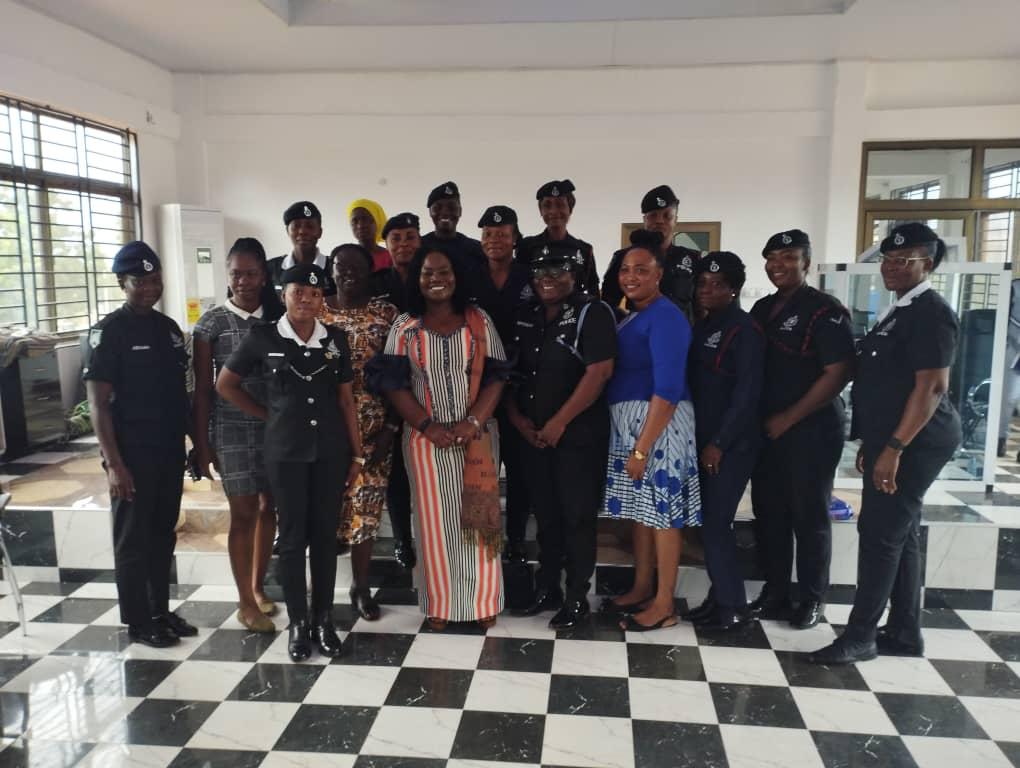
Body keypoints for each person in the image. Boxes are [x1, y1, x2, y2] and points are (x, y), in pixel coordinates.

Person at [811, 224, 962, 664]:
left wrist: (893, 448)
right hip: (895, 436)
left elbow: (931, 388)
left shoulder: (930, 312)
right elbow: (885, 382)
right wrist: (873, 441)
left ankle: (860, 637)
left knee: (880, 533)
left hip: (918, 440)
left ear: (927, 265)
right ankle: (904, 632)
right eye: (887, 260)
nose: (891, 269)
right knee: (902, 532)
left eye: (904, 261)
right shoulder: (899, 309)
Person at [217, 263, 364, 662]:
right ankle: (298, 623)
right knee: (294, 538)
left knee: (324, 538)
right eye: (298, 291)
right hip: (285, 454)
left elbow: (346, 399)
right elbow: (225, 384)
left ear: (322, 300)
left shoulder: (335, 340)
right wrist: (269, 415)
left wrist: (357, 452)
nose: (306, 299)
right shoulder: (263, 336)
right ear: (283, 294)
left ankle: (323, 620)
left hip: (330, 452)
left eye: (315, 294)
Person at [367, 244, 508, 629]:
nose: (437, 280)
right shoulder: (405, 326)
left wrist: (473, 422)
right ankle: (441, 605)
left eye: (444, 272)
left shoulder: (478, 320)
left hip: (476, 439)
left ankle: (482, 603)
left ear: (457, 277)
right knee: (433, 522)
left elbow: (497, 376)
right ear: (418, 280)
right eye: (428, 273)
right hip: (424, 441)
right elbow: (395, 385)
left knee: (479, 522)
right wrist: (429, 427)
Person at [83, 241, 198, 648]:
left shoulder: (167, 329)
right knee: (133, 538)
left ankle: (160, 610)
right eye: (140, 281)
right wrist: (114, 465)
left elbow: (180, 397)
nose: (150, 287)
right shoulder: (108, 332)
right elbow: (97, 405)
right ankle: (138, 620)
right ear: (122, 283)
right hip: (130, 452)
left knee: (162, 533)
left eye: (155, 279)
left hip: (167, 450)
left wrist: (195, 444)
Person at [749, 229, 855, 629]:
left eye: (788, 257)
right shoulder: (762, 309)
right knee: (769, 512)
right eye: (772, 257)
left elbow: (839, 372)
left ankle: (812, 598)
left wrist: (787, 418)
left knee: (809, 515)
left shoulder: (824, 310)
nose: (778, 265)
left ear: (806, 262)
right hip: (769, 431)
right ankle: (775, 592)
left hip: (811, 429)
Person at [507, 243, 617, 628]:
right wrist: (519, 420)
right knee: (547, 517)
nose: (547, 280)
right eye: (540, 273)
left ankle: (576, 597)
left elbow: (599, 372)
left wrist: (559, 423)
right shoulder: (527, 315)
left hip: (577, 438)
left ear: (575, 274)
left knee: (577, 518)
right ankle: (547, 587)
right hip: (533, 436)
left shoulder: (593, 312)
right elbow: (512, 374)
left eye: (557, 271)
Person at [600, 230, 702, 631]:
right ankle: (642, 586)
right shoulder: (634, 316)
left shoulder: (667, 316)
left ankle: (664, 604)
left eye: (641, 270)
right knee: (641, 514)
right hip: (633, 426)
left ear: (659, 274)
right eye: (625, 269)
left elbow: (669, 388)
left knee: (662, 515)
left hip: (659, 426)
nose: (631, 276)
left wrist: (643, 448)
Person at [193, 238, 283, 634]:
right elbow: (200, 388)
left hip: (276, 428)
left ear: (264, 275)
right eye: (235, 274)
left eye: (250, 273)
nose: (242, 282)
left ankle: (258, 587)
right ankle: (245, 603)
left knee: (269, 508)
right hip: (230, 429)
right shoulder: (210, 323)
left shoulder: (279, 319)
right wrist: (202, 443)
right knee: (243, 512)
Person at [682, 252, 764, 631]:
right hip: (703, 441)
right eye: (702, 284)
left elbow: (747, 395)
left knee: (716, 525)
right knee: (710, 524)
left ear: (734, 289)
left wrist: (719, 442)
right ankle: (719, 598)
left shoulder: (743, 330)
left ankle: (734, 608)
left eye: (717, 284)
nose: (707, 290)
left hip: (730, 445)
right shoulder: (705, 325)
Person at [320, 244, 399, 620]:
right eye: (340, 266)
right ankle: (320, 592)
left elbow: (404, 375)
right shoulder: (315, 309)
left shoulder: (387, 314)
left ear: (370, 270)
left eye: (356, 267)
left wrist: (392, 427)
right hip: (324, 428)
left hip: (373, 430)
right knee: (325, 509)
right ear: (330, 269)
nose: (347, 273)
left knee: (366, 512)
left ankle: (361, 587)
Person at [470, 204, 534, 562]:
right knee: (482, 467)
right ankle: (482, 541)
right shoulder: (470, 276)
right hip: (479, 386)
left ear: (514, 239)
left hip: (523, 384)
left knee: (520, 468)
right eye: (489, 234)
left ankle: (516, 540)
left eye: (503, 234)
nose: (495, 240)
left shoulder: (528, 276)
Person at [372, 212, 422, 569]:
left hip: (431, 383)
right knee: (397, 475)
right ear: (386, 247)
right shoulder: (377, 283)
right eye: (396, 239)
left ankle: (435, 535)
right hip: (390, 386)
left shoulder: (431, 277)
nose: (403, 245)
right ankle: (402, 539)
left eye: (410, 237)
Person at [601, 185, 702, 319]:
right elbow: (607, 305)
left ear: (675, 220)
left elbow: (701, 308)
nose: (659, 221)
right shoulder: (623, 257)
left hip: (682, 334)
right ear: (645, 220)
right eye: (653, 216)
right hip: (639, 335)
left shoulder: (692, 258)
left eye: (667, 216)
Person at [517, 179, 600, 296]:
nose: (554, 211)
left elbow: (593, 292)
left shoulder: (584, 249)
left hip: (574, 312)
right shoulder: (527, 247)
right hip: (535, 312)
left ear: (570, 209)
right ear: (541, 211)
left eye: (560, 205)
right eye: (547, 205)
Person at [266, 201, 338, 302]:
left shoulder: (334, 268)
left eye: (310, 226)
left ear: (320, 232)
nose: (302, 231)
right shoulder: (270, 269)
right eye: (296, 226)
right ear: (288, 231)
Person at [420, 181, 486, 270]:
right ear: (430, 212)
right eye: (437, 208)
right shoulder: (419, 248)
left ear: (460, 211)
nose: (445, 212)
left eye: (452, 207)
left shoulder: (477, 250)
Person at [999, 278, 1020, 459]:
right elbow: (1003, 318)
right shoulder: (1014, 287)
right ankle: (1000, 439)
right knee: (1007, 399)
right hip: (1013, 350)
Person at [347, 198, 392, 271]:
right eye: (354, 221)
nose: (360, 225)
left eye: (365, 219)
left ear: (377, 222)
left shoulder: (389, 257)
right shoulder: (346, 257)